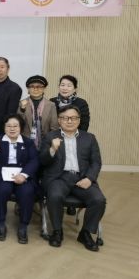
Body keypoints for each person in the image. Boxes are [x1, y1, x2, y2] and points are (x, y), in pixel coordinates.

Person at [40, 106, 105, 251]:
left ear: (79, 120)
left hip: (82, 178)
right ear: (59, 120)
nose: (69, 121)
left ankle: (85, 233)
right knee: (54, 195)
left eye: (73, 118)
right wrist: (52, 149)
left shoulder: (89, 138)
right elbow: (42, 161)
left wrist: (89, 178)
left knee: (98, 200)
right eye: (65, 118)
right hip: (59, 178)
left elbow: (96, 162)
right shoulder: (50, 137)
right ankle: (57, 231)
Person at [0, 114, 39, 244]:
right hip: (2, 175)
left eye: (15, 126)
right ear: (4, 128)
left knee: (27, 191)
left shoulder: (28, 142)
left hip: (22, 174)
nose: (12, 129)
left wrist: (24, 175)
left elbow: (34, 161)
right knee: (2, 190)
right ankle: (1, 223)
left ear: (21, 128)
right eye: (8, 126)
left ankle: (23, 226)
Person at [17, 75, 58, 149]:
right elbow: (18, 125)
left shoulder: (51, 105)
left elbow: (54, 128)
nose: (35, 89)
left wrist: (50, 143)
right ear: (28, 89)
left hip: (45, 143)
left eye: (39, 86)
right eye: (32, 86)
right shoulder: (21, 103)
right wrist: (22, 109)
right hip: (25, 143)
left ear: (44, 89)